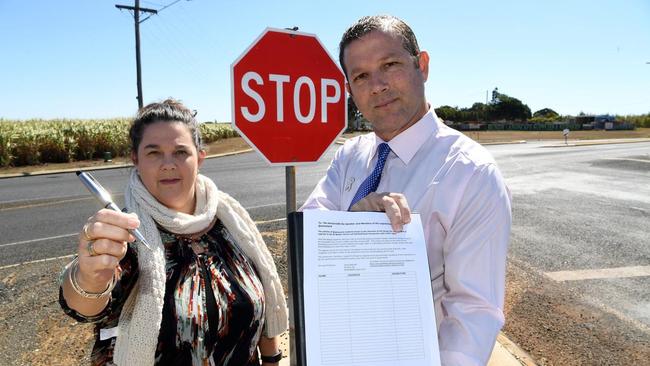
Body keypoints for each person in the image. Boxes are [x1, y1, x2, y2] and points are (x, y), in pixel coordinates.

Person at [300, 15, 512, 366]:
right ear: (350, 90)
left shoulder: (471, 173)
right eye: (361, 76)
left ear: (422, 65)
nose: (378, 85)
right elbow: (308, 239)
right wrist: (350, 225)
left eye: (390, 64)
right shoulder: (349, 157)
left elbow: (473, 311)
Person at [59, 99, 288, 365]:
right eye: (154, 153)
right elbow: (84, 306)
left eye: (180, 152)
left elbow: (262, 300)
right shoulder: (125, 233)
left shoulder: (231, 222)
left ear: (200, 157)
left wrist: (272, 358)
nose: (168, 164)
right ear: (136, 159)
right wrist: (88, 277)